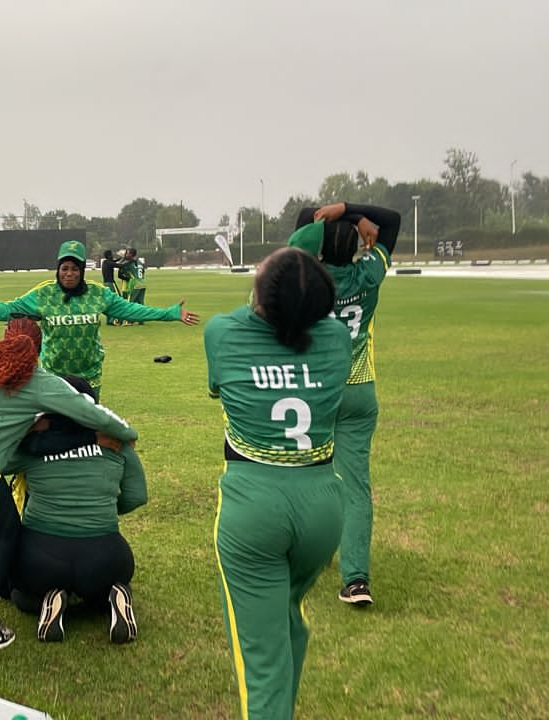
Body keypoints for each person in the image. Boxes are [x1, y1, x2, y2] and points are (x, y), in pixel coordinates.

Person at [0, 320, 140, 656]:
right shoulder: (36, 379)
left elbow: (15, 431)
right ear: (38, 349)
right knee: (6, 534)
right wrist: (125, 433)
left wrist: (42, 427)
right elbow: (88, 410)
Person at [203, 245, 352, 719]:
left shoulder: (223, 333)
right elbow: (307, 318)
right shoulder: (335, 338)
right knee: (288, 618)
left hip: (256, 507)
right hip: (323, 504)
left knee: (261, 662)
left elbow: (220, 378)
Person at [292, 201, 402, 607]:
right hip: (359, 389)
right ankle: (356, 580)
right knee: (355, 487)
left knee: (310, 480)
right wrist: (353, 212)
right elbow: (393, 220)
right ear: (357, 246)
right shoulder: (369, 273)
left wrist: (333, 214)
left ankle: (309, 555)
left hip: (315, 392)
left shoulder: (306, 278)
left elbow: (305, 217)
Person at [0, 240, 199, 397]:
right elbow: (9, 310)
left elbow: (132, 310)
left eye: (75, 268)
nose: (69, 273)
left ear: (82, 270)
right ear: (58, 269)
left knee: (87, 433)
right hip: (54, 376)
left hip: (89, 376)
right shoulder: (43, 294)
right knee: (54, 432)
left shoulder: (97, 294)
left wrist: (170, 313)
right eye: (65, 268)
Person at [6, 375, 147, 645]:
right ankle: (112, 595)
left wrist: (28, 432)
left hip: (41, 557)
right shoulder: (115, 443)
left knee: (20, 594)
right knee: (102, 583)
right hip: (107, 555)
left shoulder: (34, 447)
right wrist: (102, 510)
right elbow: (137, 496)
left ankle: (53, 598)